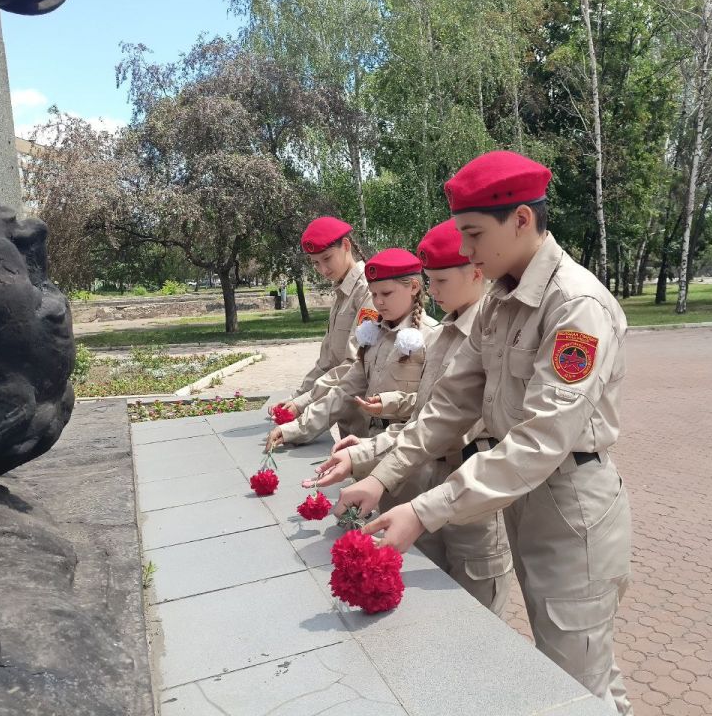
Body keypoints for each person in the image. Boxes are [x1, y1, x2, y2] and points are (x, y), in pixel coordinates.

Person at [334, 151, 634, 715]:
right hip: (522, 496)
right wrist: (384, 476)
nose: (466, 251)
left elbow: (542, 439)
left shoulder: (576, 306)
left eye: (473, 234)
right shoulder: (501, 300)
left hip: (571, 505)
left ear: (521, 220)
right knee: (575, 666)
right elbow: (449, 404)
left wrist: (425, 510)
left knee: (576, 674)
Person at [308, 219, 513, 615]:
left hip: (476, 484)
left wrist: (372, 461)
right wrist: (369, 457)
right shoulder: (450, 333)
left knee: (479, 611)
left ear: (475, 271)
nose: (432, 292)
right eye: (429, 281)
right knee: (435, 603)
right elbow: (427, 413)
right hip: (430, 475)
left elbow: (445, 422)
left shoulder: (482, 331)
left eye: (439, 281)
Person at [266, 248, 438, 450]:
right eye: (374, 294)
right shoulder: (373, 337)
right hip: (368, 444)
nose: (378, 302)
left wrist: (391, 403)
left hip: (410, 449)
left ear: (414, 287)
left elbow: (437, 404)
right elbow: (342, 393)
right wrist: (293, 429)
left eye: (386, 293)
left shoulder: (433, 336)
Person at [269, 217, 375, 438]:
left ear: (346, 246)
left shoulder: (368, 291)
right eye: (315, 263)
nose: (323, 269)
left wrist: (304, 402)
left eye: (327, 258)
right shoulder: (341, 292)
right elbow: (326, 361)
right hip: (345, 413)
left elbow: (355, 361)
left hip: (367, 414)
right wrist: (295, 397)